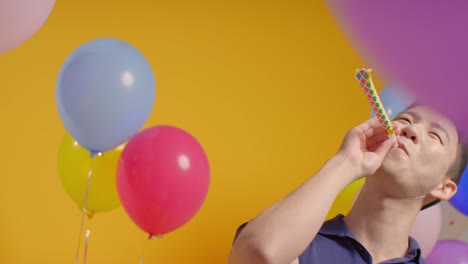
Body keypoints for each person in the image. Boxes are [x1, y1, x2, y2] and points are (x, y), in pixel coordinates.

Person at [228, 105, 467, 264]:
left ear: (444, 187)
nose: (411, 129)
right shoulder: (303, 245)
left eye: (435, 135)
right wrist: (347, 161)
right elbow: (257, 254)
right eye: (404, 119)